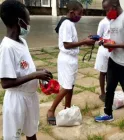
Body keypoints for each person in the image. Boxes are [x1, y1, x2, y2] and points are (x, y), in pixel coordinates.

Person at [0, 1, 53, 139]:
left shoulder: (22, 42)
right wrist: (35, 75)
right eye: (28, 19)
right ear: (19, 21)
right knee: (13, 136)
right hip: (17, 101)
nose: (29, 23)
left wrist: (40, 72)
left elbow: (25, 67)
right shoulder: (7, 47)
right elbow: (5, 83)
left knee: (31, 132)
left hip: (30, 97)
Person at [47, 1, 96, 125]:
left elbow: (71, 41)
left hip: (71, 59)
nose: (81, 16)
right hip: (67, 59)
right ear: (72, 12)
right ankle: (51, 110)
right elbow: (66, 44)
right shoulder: (67, 24)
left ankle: (67, 108)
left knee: (71, 86)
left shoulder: (69, 23)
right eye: (79, 14)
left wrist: (85, 40)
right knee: (67, 87)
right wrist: (84, 42)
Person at [94, 2, 111, 102]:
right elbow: (98, 38)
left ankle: (109, 90)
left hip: (112, 51)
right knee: (103, 72)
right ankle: (102, 92)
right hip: (104, 51)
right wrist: (104, 41)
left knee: (110, 72)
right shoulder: (103, 23)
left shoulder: (116, 21)